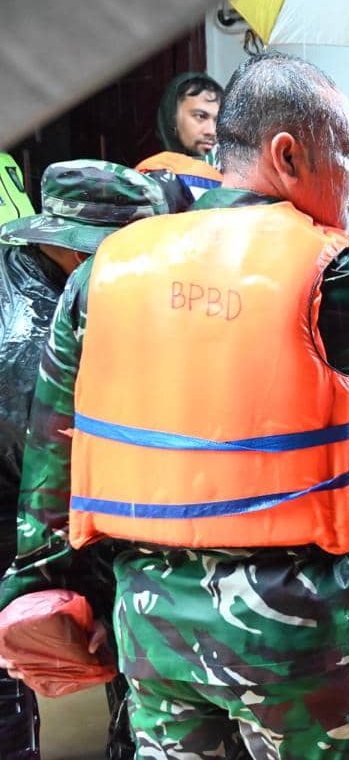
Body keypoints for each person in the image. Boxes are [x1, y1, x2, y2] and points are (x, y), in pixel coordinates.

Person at [0, 51, 349, 760]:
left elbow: (52, 454)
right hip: (295, 628)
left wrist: (50, 588)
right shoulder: (332, 275)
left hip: (153, 629)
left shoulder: (105, 273)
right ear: (287, 153)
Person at [0, 161, 170, 760]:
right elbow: (54, 492)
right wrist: (109, 602)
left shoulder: (17, 274)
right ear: (79, 254)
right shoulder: (36, 339)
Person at [137, 72, 224, 206]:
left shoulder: (233, 180)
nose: (212, 131)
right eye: (200, 116)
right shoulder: (150, 178)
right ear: (172, 118)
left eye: (217, 121)